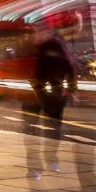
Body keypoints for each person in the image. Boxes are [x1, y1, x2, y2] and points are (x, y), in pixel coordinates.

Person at [27, 19, 79, 179]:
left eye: (39, 32)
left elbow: (70, 68)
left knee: (53, 128)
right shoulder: (32, 47)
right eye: (34, 32)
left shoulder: (56, 47)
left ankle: (51, 159)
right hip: (33, 93)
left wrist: (71, 90)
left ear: (48, 33)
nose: (35, 35)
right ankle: (34, 168)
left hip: (53, 93)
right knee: (31, 131)